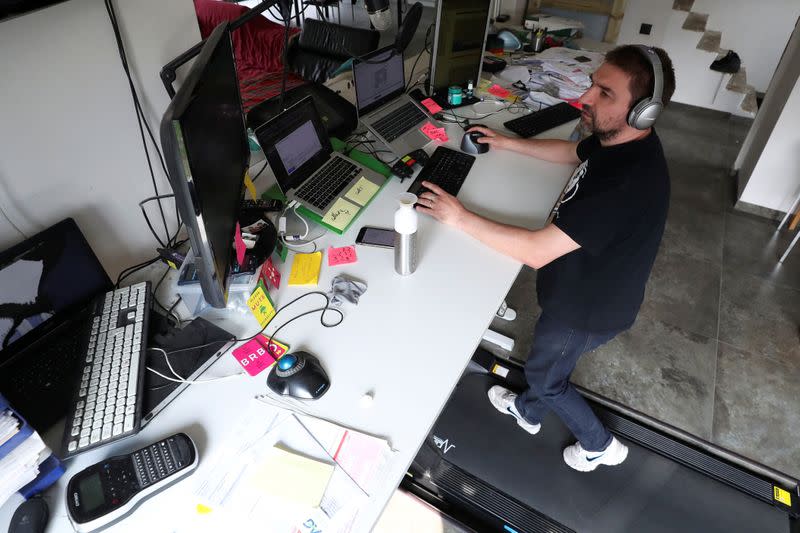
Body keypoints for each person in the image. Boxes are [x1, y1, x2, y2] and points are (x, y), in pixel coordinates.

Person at [416, 45, 676, 472]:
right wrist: (506, 143)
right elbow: (574, 154)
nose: (585, 98)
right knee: (546, 365)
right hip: (581, 287)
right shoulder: (620, 142)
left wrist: (458, 217)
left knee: (546, 377)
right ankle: (529, 413)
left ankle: (600, 446)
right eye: (593, 84)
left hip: (585, 310)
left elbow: (537, 252)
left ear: (643, 112)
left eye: (604, 93)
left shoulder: (627, 182)